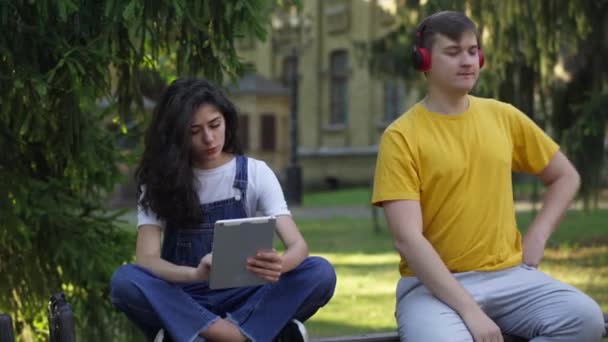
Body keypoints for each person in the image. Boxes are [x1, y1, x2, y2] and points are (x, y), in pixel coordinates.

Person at [371, 10, 605, 342]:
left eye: (472, 51)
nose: (467, 61)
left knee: (585, 320)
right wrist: (469, 310)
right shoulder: (401, 136)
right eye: (452, 53)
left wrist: (536, 237)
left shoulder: (502, 116)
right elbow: (408, 239)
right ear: (424, 61)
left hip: (511, 277)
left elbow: (565, 176)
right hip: (432, 287)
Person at [110, 78, 336, 342]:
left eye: (215, 125)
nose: (208, 138)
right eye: (194, 131)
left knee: (320, 273)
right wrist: (194, 274)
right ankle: (244, 334)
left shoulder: (254, 173)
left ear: (226, 120)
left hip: (247, 295)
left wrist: (280, 265)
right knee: (124, 281)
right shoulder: (158, 181)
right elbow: (147, 259)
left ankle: (201, 334)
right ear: (175, 135)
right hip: (185, 297)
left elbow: (298, 245)